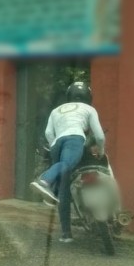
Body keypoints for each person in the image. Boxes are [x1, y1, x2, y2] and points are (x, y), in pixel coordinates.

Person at [30, 82, 105, 243]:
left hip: (57, 143)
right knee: (67, 164)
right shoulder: (89, 109)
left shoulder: (56, 110)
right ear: (88, 96)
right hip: (75, 139)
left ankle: (66, 234)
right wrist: (101, 150)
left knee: (64, 189)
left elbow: (48, 132)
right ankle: (44, 180)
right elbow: (99, 136)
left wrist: (54, 146)